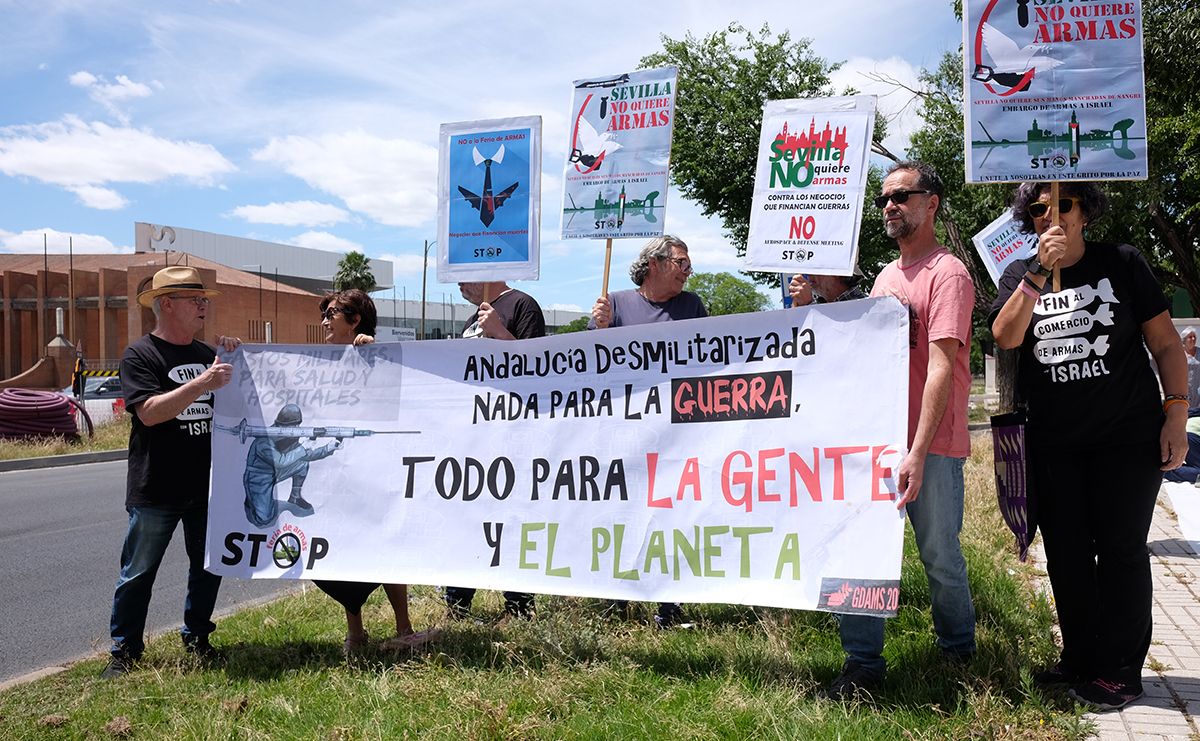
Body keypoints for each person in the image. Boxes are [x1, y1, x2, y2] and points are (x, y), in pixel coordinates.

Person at [991, 181, 1189, 711]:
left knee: (1122, 551)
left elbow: (1167, 343)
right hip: (1055, 445)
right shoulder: (1019, 276)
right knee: (1068, 556)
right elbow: (1006, 337)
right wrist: (1035, 274)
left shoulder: (1121, 262)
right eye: (1036, 208)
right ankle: (1081, 658)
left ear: (1085, 212)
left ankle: (1122, 670)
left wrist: (1177, 411)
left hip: (1126, 438)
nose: (1047, 213)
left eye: (1060, 203)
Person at [829, 161, 978, 700]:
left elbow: (941, 367)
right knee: (862, 550)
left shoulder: (949, 274)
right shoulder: (886, 278)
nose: (890, 205)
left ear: (931, 203)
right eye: (884, 199)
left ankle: (959, 655)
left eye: (902, 196)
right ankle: (862, 664)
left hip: (930, 446)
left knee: (938, 552)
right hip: (881, 442)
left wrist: (916, 451)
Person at [103, 266, 240, 679]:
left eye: (204, 300)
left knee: (208, 568)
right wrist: (203, 382)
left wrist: (235, 354)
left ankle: (197, 637)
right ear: (166, 304)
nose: (203, 306)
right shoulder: (140, 355)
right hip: (156, 487)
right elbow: (149, 413)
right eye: (194, 299)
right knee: (138, 572)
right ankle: (124, 651)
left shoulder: (207, 355)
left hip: (206, 487)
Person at [589, 234, 707, 628]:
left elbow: (709, 355)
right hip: (625, 434)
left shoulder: (692, 306)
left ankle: (668, 607)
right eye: (681, 263)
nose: (687, 272)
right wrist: (600, 328)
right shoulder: (617, 303)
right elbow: (589, 364)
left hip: (675, 434)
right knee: (622, 515)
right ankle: (615, 601)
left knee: (672, 519)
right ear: (654, 264)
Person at [309, 289, 426, 653]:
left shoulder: (379, 355)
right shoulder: (318, 361)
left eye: (332, 313)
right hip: (335, 472)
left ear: (355, 320)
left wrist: (375, 354)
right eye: (325, 314)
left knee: (386, 545)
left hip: (376, 470)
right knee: (343, 552)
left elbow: (404, 397)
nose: (325, 321)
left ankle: (404, 627)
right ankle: (355, 631)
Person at [444, 280, 546, 620]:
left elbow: (538, 371)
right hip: (475, 437)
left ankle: (519, 607)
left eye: (465, 273)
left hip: (511, 436)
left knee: (511, 521)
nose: (459, 282)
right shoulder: (474, 318)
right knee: (467, 520)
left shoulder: (522, 306)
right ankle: (457, 605)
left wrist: (501, 333)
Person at [242, 403, 342, 527]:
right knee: (263, 519)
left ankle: (295, 497)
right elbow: (280, 461)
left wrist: (328, 448)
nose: (296, 428)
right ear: (282, 425)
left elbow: (305, 457)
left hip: (275, 473)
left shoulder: (288, 437)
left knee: (302, 464)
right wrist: (303, 447)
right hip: (258, 479)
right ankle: (252, 501)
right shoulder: (263, 441)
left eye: (297, 425)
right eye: (293, 425)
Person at [788, 268, 868, 306]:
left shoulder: (865, 308)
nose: (808, 273)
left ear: (838, 272)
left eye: (816, 267)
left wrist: (808, 307)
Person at [1182, 327, 1200, 408]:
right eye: (1190, 337)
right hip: (1184, 388)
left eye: (1194, 337)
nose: (1193, 339)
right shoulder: (1180, 353)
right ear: (1184, 340)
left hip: (1198, 388)